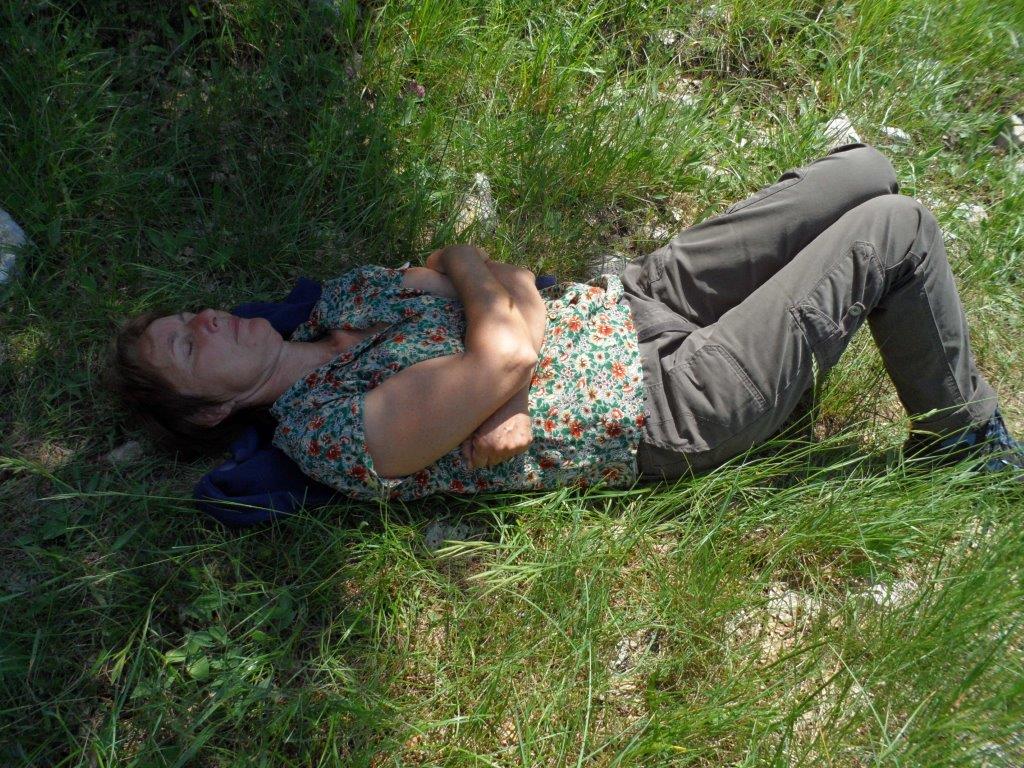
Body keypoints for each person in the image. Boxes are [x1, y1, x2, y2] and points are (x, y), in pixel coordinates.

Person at [108, 143, 1023, 501]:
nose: (208, 320)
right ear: (210, 412)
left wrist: (506, 354)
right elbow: (496, 320)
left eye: (191, 315)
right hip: (664, 401)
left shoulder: (341, 299)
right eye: (188, 345)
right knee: (897, 230)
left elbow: (487, 270)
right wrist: (495, 327)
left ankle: (806, 367)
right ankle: (961, 439)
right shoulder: (327, 432)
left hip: (636, 299)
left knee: (863, 173)